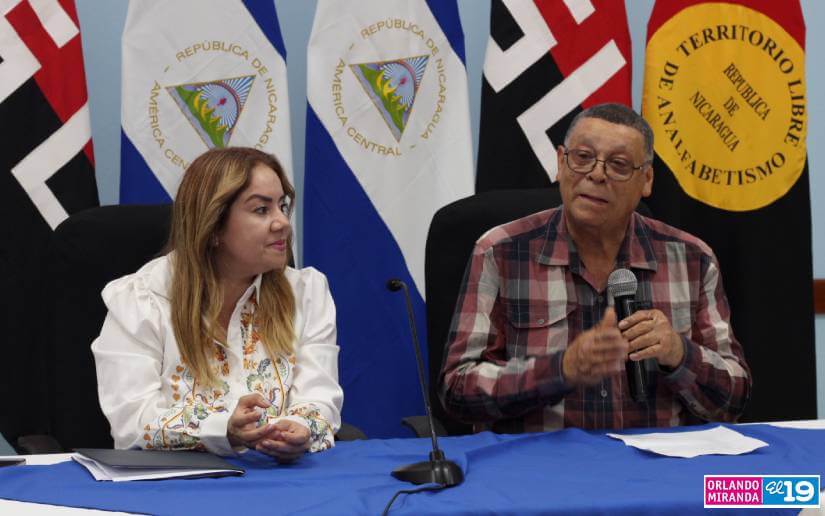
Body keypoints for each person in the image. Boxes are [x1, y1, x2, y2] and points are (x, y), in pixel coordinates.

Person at [439, 103, 750, 433]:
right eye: (583, 157)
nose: (597, 175)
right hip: (542, 460)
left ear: (646, 180)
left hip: (653, 460)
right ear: (561, 163)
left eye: (618, 164)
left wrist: (678, 353)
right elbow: (457, 390)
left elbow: (734, 398)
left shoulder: (692, 259)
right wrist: (559, 370)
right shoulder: (500, 252)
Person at [92, 147, 343, 460]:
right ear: (212, 227)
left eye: (282, 206)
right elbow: (132, 423)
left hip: (279, 478)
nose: (283, 223)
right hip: (178, 483)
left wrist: (301, 428)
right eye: (261, 210)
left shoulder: (306, 292)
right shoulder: (140, 299)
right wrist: (222, 429)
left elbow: (320, 397)